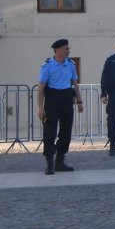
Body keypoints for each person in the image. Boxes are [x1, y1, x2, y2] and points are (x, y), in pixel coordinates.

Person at [37, 38, 84, 175]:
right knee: (50, 132)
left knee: (66, 132)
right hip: (52, 99)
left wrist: (79, 101)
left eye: (68, 48)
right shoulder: (48, 66)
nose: (68, 50)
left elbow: (75, 83)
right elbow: (41, 88)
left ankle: (60, 161)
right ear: (57, 50)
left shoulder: (70, 64)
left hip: (66, 98)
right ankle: (49, 164)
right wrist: (40, 107)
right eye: (66, 48)